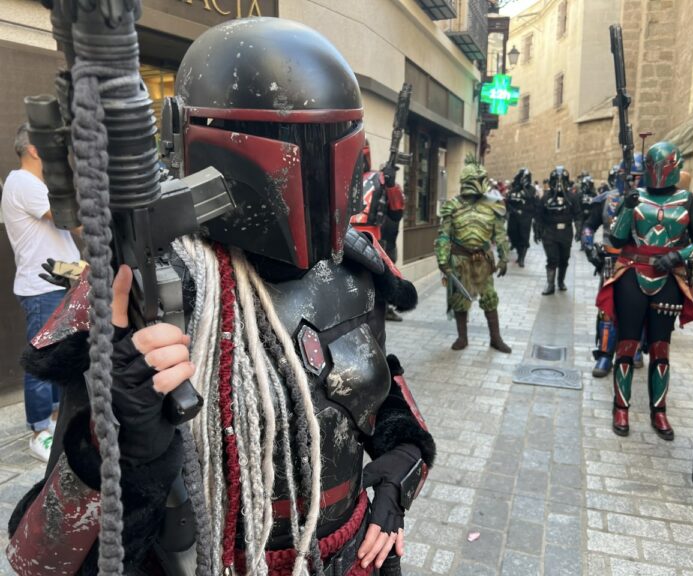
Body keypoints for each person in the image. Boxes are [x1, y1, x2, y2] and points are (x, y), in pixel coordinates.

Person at [7, 17, 435, 575]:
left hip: (351, 554)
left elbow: (385, 402)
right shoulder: (147, 291)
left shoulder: (356, 269)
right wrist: (124, 445)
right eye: (290, 143)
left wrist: (397, 478)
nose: (312, 167)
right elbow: (40, 556)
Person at [596, 141, 693, 440]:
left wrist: (678, 255)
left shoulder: (688, 200)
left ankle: (659, 411)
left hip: (667, 277)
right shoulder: (636, 197)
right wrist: (627, 208)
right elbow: (617, 241)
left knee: (660, 347)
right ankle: (621, 408)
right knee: (626, 344)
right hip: (632, 274)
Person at [0, 124, 80, 462]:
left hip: (59, 281)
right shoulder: (24, 183)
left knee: (60, 357)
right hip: (42, 287)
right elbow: (72, 221)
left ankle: (57, 421)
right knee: (43, 359)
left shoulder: (36, 184)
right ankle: (39, 431)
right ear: (34, 149)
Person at [435, 155, 511, 353]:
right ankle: (462, 337)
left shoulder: (493, 205)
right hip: (460, 260)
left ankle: (495, 338)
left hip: (483, 261)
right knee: (460, 300)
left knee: (489, 298)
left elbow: (500, 234)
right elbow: (444, 235)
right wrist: (442, 259)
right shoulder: (452, 206)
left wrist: (504, 258)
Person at [582, 155, 644, 377]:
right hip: (612, 260)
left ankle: (635, 349)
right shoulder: (607, 199)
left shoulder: (652, 201)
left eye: (636, 176)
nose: (632, 181)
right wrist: (589, 247)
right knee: (607, 310)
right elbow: (589, 226)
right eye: (628, 176)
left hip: (641, 263)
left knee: (639, 309)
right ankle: (605, 355)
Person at [351, 139, 407, 321]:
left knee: (377, 282)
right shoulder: (341, 176)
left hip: (372, 237)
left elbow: (397, 211)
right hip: (345, 235)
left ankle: (382, 312)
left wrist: (391, 185)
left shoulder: (380, 178)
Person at [536, 165, 579, 295]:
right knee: (552, 258)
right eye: (556, 181)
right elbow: (539, 215)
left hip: (566, 232)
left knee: (564, 258)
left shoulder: (572, 197)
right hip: (550, 232)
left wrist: (579, 230)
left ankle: (561, 281)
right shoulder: (546, 197)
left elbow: (578, 215)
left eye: (562, 181)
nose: (559, 185)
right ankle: (550, 284)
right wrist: (537, 230)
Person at [505, 168, 536, 268]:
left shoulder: (531, 189)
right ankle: (518, 252)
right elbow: (508, 201)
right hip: (514, 216)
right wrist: (513, 210)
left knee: (524, 237)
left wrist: (524, 187)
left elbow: (530, 198)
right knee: (512, 233)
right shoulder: (514, 188)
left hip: (525, 217)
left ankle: (522, 258)